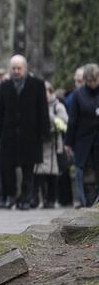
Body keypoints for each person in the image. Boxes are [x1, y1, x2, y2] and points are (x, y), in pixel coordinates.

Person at [0, 55, 50, 210]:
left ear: (25, 69)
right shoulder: (5, 86)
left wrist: (44, 131)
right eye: (13, 68)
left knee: (28, 169)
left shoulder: (37, 85)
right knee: (8, 168)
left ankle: (26, 198)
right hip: (10, 133)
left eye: (19, 68)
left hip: (30, 133)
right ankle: (11, 196)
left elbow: (42, 110)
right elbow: (0, 111)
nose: (16, 71)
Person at [65, 63, 99, 208]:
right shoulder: (78, 94)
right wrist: (68, 142)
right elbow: (72, 120)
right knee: (88, 177)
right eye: (89, 81)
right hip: (84, 142)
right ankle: (89, 206)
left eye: (94, 81)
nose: (92, 84)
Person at [35, 81, 67, 208]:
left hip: (54, 145)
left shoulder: (58, 106)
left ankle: (52, 199)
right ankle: (41, 199)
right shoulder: (36, 106)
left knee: (53, 173)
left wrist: (50, 118)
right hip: (40, 145)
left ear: (50, 92)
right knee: (39, 173)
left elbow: (64, 122)